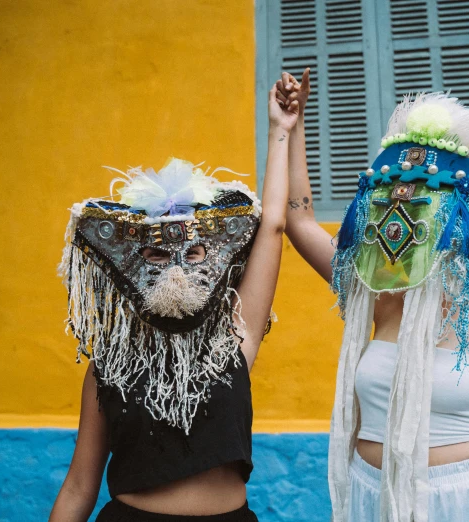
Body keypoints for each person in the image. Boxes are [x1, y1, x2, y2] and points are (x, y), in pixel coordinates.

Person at [277, 72, 469, 522]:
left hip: (461, 504)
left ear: (464, 209)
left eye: (424, 196)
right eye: (390, 193)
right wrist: (293, 124)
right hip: (369, 498)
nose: (401, 206)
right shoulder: (375, 289)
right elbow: (299, 221)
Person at [49, 84, 299, 522]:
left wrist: (282, 130)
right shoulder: (111, 363)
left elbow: (274, 225)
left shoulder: (233, 340)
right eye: (158, 254)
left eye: (193, 253)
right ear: (133, 265)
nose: (175, 267)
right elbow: (79, 486)